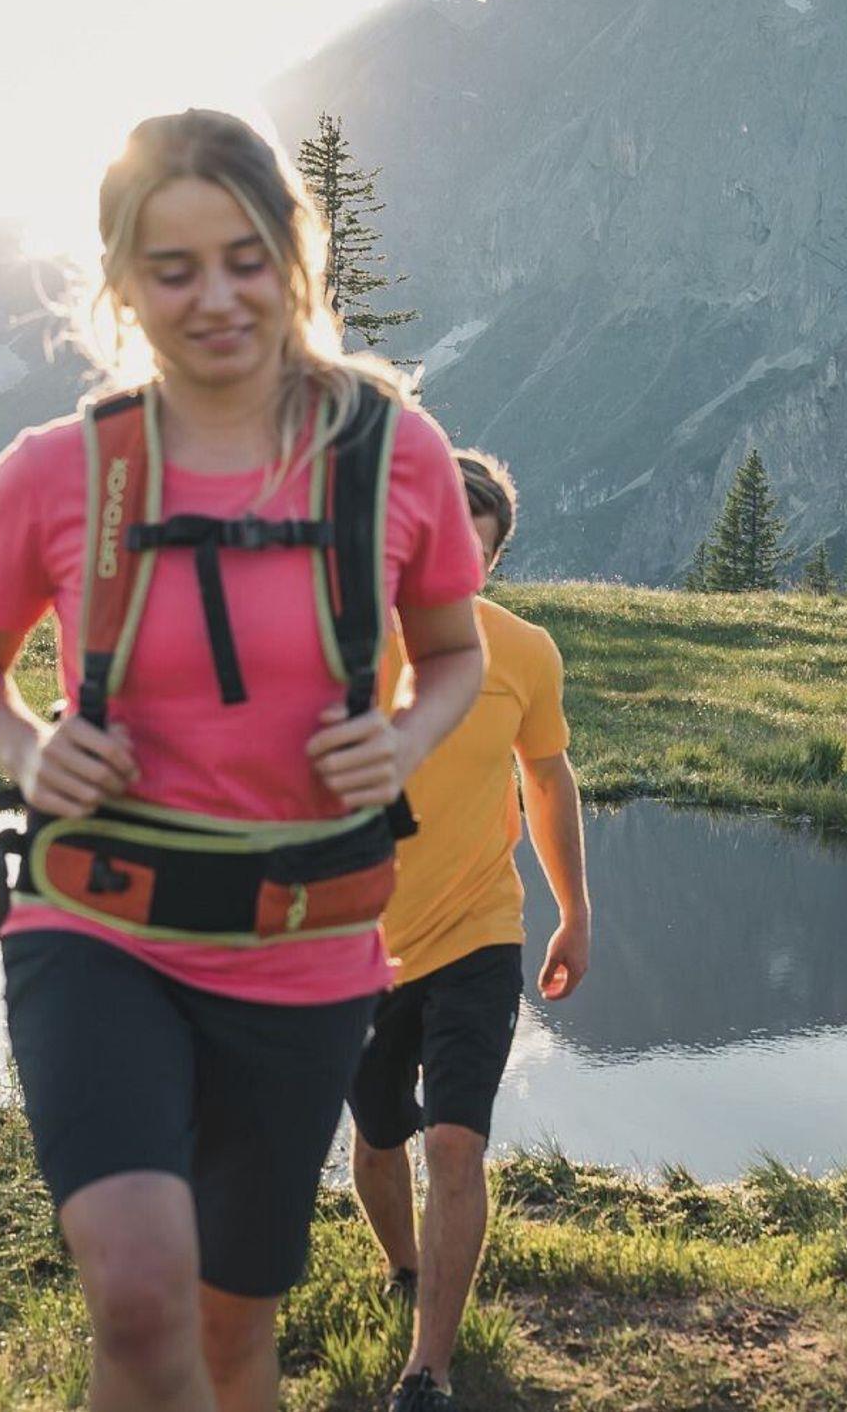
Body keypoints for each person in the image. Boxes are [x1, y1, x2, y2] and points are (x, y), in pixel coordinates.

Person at [0, 108, 484, 1412]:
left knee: (233, 1336)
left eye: (243, 259)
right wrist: (26, 745)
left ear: (294, 257)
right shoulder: (58, 471)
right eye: (173, 269)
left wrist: (402, 734)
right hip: (97, 925)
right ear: (121, 285)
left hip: (304, 946)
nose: (216, 298)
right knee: (136, 1297)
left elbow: (452, 653)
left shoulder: (394, 458)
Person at [349, 450, 592, 1412]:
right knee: (378, 1138)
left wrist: (575, 912)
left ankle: (429, 1370)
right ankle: (409, 1269)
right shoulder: (340, 642)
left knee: (453, 1144)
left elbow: (548, 779)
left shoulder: (523, 653)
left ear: (492, 563)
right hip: (356, 946)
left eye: (472, 553)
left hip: (479, 934)